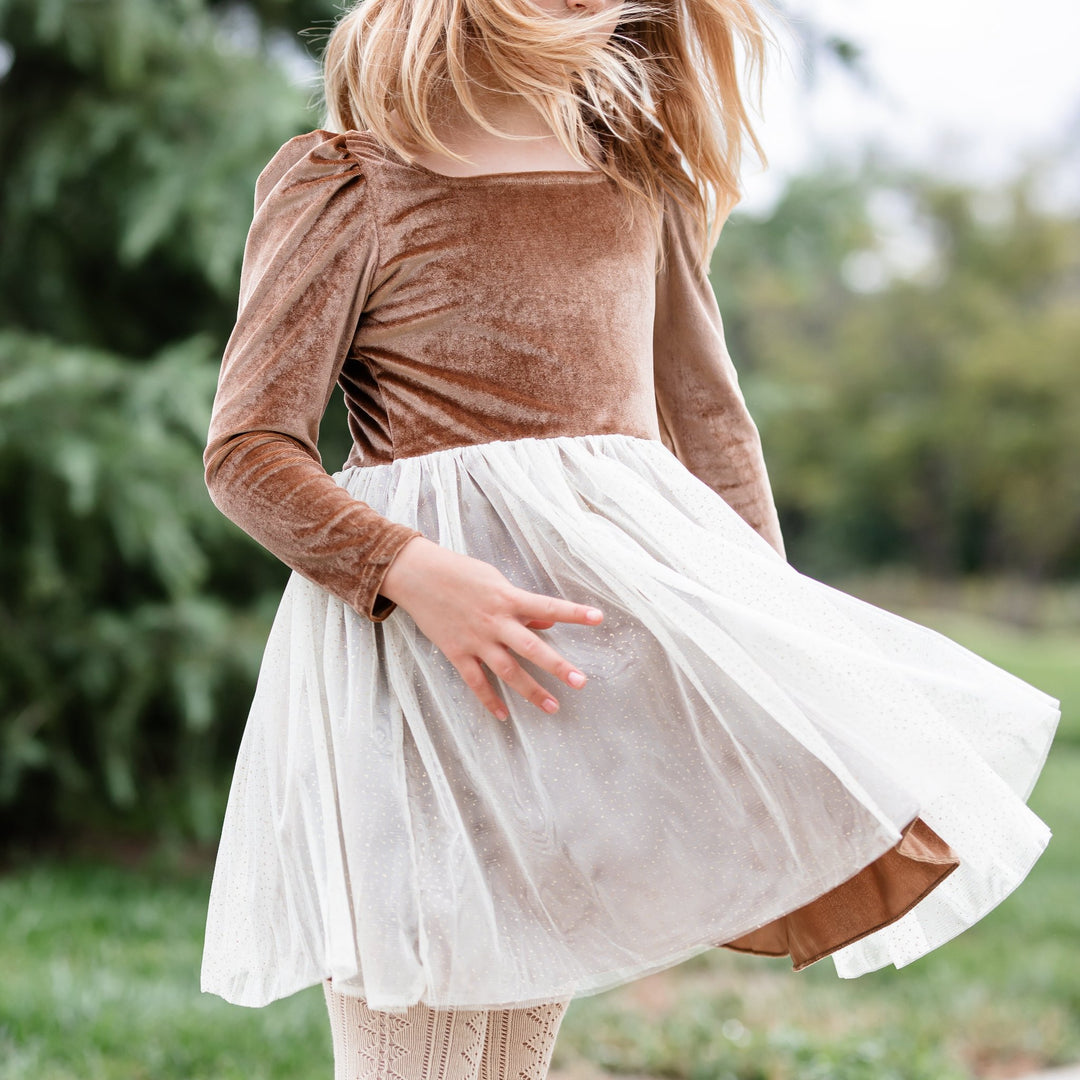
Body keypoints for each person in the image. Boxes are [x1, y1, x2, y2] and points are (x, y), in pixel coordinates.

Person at [199, 0, 1062, 1075]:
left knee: (512, 1036)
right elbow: (246, 454)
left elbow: (709, 427)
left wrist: (767, 650)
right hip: (420, 677)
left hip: (581, 678)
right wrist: (409, 573)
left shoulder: (635, 177)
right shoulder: (351, 178)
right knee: (411, 1033)